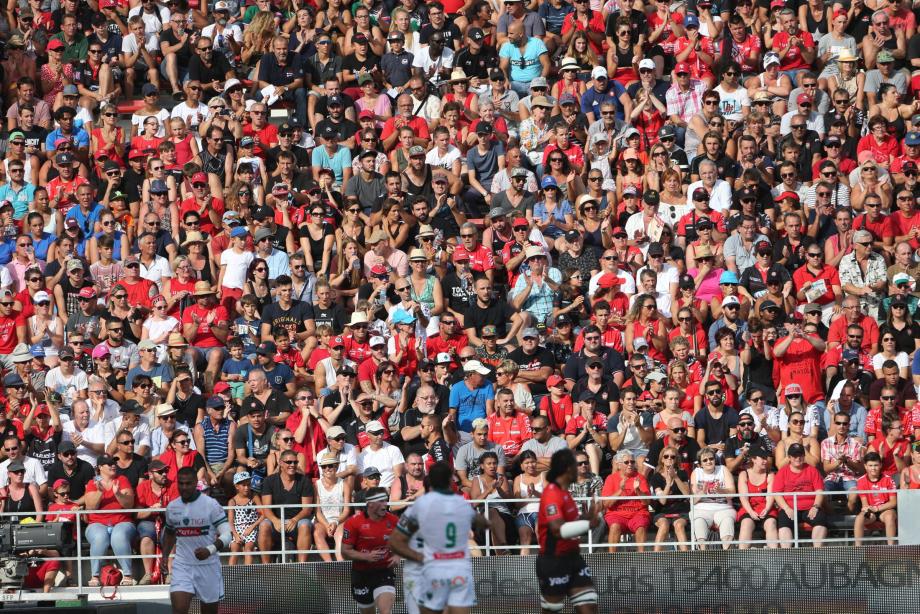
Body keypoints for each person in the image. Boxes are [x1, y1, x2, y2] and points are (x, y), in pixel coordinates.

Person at [390, 461, 488, 614]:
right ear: (450, 481)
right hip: (449, 569)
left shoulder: (420, 506)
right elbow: (484, 523)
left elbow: (395, 541)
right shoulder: (459, 504)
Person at [534, 448, 601, 614]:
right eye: (575, 465)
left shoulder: (565, 493)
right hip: (553, 561)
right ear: (567, 469)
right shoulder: (551, 494)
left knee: (589, 607)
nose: (580, 468)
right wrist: (589, 524)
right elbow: (558, 530)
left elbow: (569, 523)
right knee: (552, 610)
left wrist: (586, 517)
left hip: (573, 558)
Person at [162, 466, 232, 614]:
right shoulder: (172, 507)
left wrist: (209, 550)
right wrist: (164, 555)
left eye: (188, 483)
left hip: (208, 567)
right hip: (182, 566)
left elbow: (227, 535)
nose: (184, 487)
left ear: (195, 483)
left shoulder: (211, 505)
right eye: (181, 483)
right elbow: (169, 533)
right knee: (179, 609)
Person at [341, 486, 399, 614]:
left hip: (384, 572)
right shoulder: (353, 523)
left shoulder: (393, 520)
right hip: (361, 574)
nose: (385, 505)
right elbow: (345, 552)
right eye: (381, 501)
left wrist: (397, 556)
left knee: (385, 612)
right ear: (370, 504)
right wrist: (366, 557)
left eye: (386, 500)